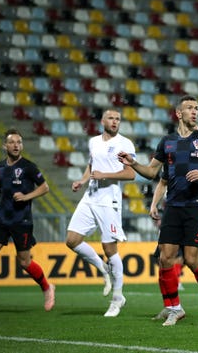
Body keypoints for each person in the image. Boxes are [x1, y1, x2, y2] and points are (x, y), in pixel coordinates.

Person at [117, 95, 198, 326]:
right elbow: (152, 173)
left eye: (197, 108)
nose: (195, 111)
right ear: (178, 113)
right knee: (165, 258)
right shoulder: (167, 142)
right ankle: (175, 308)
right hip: (173, 207)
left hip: (196, 206)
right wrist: (133, 163)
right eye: (190, 108)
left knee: (191, 259)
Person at [0, 128, 54, 313]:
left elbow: (45, 188)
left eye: (19, 142)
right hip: (2, 218)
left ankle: (47, 287)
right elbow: (2, 186)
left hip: (21, 221)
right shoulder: (0, 167)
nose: (16, 145)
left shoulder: (29, 167)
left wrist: (26, 197)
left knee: (24, 262)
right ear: (5, 145)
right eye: (13, 142)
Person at [65, 108, 136, 317]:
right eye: (111, 118)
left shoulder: (125, 144)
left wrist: (104, 175)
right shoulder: (94, 142)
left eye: (118, 119)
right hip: (90, 197)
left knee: (110, 249)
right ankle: (104, 269)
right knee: (72, 239)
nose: (115, 122)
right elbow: (91, 165)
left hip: (109, 200)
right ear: (103, 121)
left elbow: (131, 173)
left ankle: (117, 297)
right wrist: (83, 180)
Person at [150, 176, 198, 320]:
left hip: (192, 215)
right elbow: (159, 178)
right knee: (163, 260)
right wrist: (154, 204)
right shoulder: (171, 157)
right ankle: (170, 306)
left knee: (189, 260)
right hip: (173, 214)